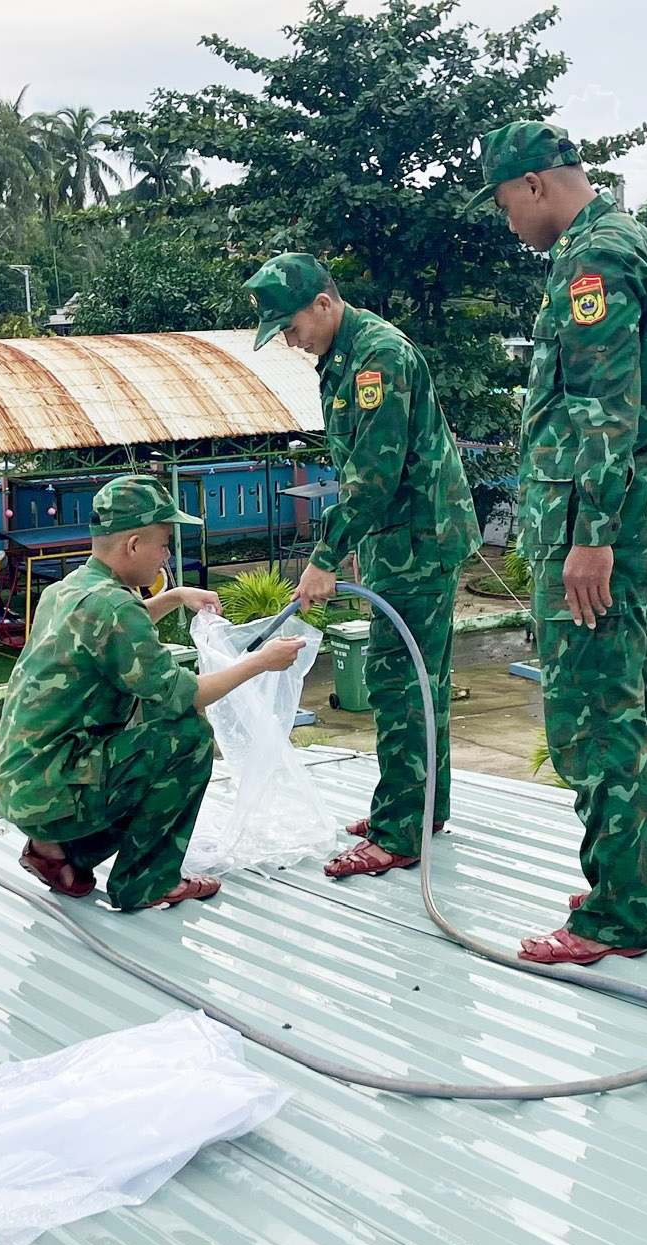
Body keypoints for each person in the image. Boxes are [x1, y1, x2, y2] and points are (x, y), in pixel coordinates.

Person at [471, 120, 647, 966]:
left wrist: (589, 538)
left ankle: (614, 916)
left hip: (596, 524)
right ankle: (644, 885)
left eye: (503, 204)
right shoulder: (638, 241)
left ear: (533, 185)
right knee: (637, 701)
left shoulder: (592, 259)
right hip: (633, 515)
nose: (507, 223)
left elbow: (605, 407)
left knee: (596, 717)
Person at [245, 252, 479, 879]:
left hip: (418, 540)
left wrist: (323, 558)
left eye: (292, 327)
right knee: (419, 679)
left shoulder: (378, 356)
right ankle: (422, 808)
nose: (293, 342)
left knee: (398, 683)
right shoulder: (343, 357)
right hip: (399, 538)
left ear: (324, 303)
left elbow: (373, 474)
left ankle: (400, 831)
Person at [0, 473, 306, 909]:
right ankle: (148, 883)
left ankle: (56, 853)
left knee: (147, 740)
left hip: (23, 784)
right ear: (133, 545)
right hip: (54, 790)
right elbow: (188, 694)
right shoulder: (114, 606)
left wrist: (175, 596)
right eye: (162, 544)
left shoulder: (68, 591)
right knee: (187, 737)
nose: (166, 555)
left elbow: (117, 627)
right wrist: (260, 662)